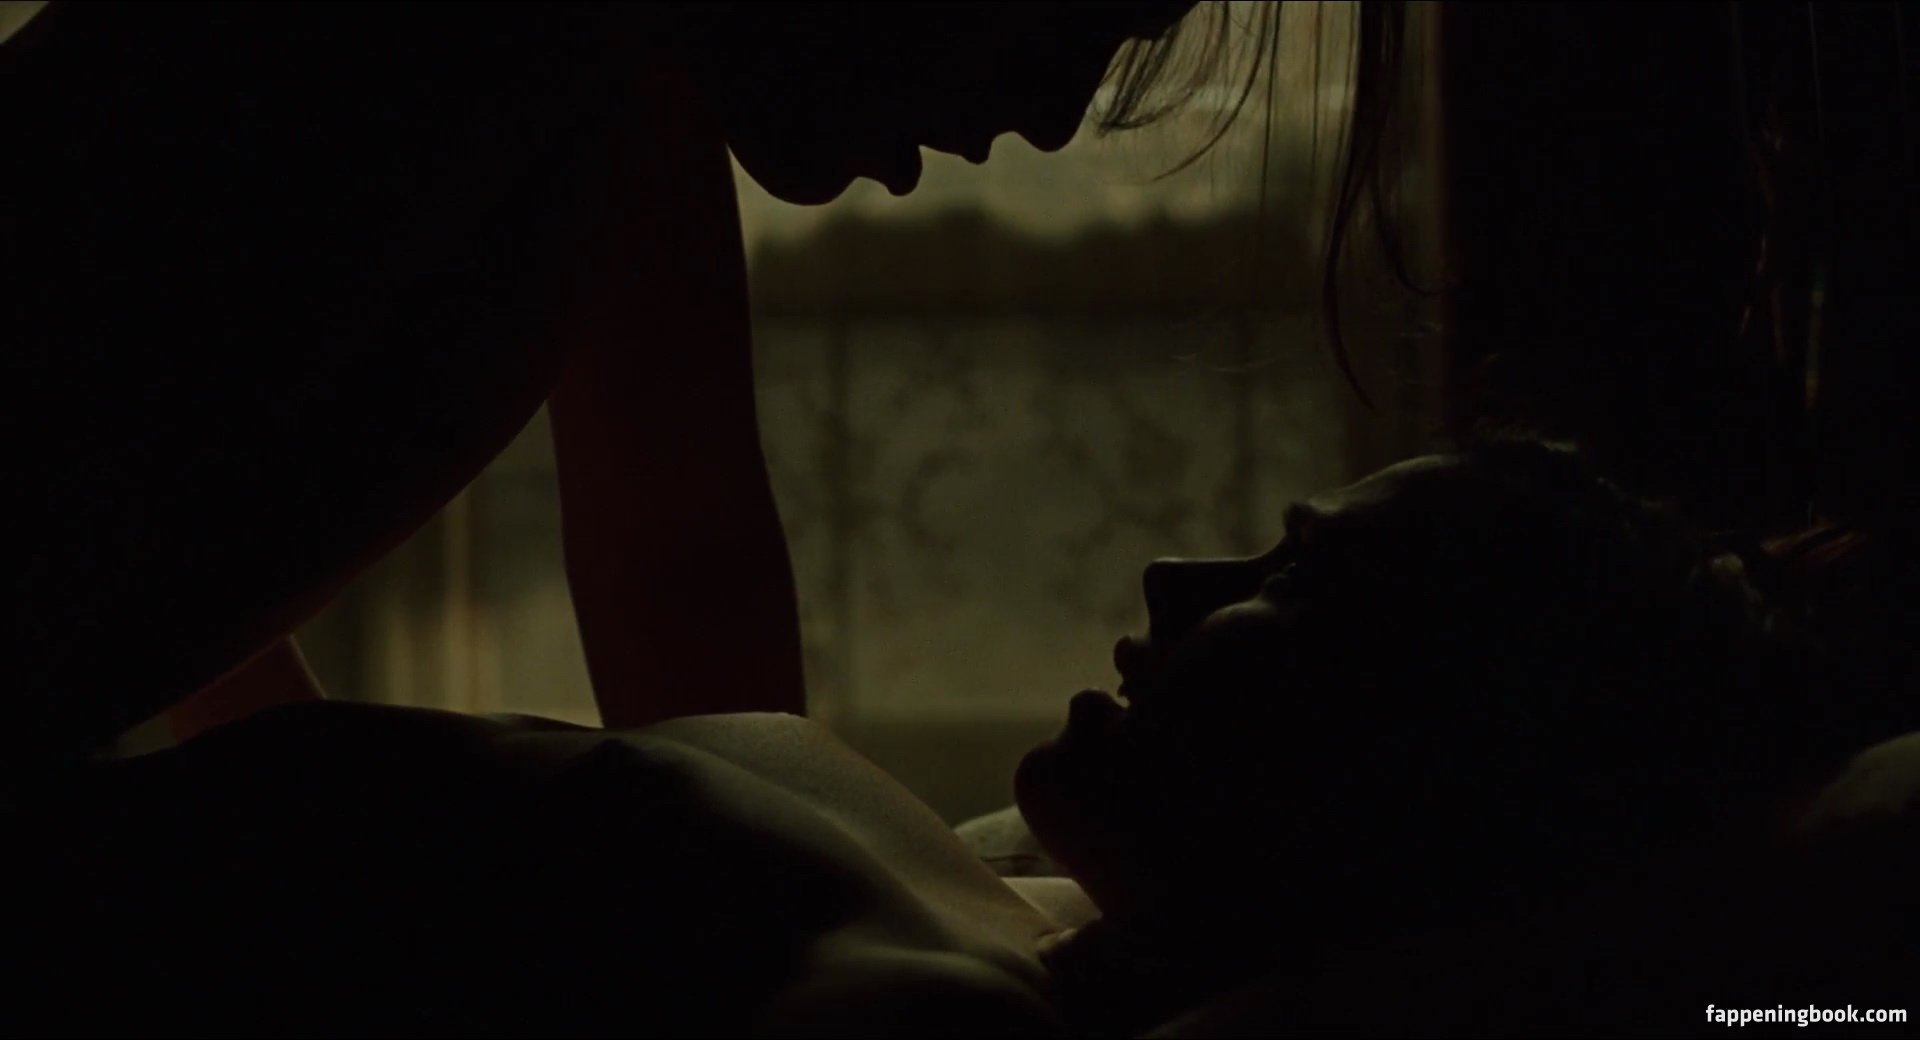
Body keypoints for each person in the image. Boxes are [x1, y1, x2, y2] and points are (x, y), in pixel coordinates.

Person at [9, 437, 1872, 1036]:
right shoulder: (972, 888)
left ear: (1403, 770)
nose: (1170, 577)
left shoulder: (927, 1019)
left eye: (1287, 586)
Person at [6, 0, 1298, 765]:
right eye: (1085, 10)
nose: (1060, 109)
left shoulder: (621, 86)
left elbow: (686, 567)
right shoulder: (433, 45)